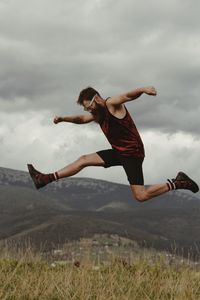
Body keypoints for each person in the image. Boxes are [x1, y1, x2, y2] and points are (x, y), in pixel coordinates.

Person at [27, 86, 199, 202]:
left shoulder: (111, 104)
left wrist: (143, 89)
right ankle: (45, 179)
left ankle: (179, 182)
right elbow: (80, 119)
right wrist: (63, 118)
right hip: (118, 152)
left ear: (96, 99)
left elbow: (127, 96)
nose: (89, 111)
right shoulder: (98, 115)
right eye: (87, 109)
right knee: (84, 159)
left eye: (89, 107)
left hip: (132, 154)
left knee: (140, 196)